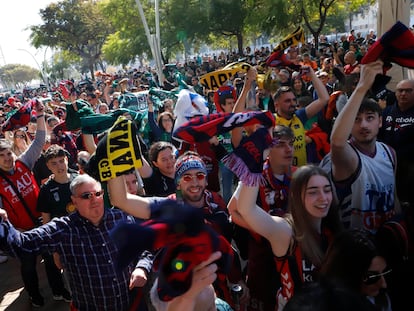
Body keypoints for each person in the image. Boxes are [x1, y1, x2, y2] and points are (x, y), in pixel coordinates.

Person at [0, 174, 152, 311]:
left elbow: (143, 249)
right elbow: (21, 246)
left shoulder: (121, 218)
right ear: (74, 201)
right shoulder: (63, 228)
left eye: (98, 194)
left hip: (132, 304)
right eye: (86, 196)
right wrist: (2, 224)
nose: (94, 200)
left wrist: (142, 268)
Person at [233, 163, 343, 310]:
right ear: (297, 196)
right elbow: (246, 209)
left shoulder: (335, 234)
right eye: (313, 192)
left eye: (327, 190)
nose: (323, 198)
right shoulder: (287, 232)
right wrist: (254, 169)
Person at [321, 60, 401, 233]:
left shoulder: (389, 153)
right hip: (357, 250)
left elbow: (394, 198)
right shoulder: (349, 157)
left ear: (380, 121)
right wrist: (361, 88)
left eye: (370, 118)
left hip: (387, 245)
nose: (363, 125)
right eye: (356, 119)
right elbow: (337, 143)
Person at [228, 125, 296, 311]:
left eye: (291, 144)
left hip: (293, 253)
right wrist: (260, 226)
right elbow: (232, 210)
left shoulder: (299, 175)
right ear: (268, 149)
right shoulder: (254, 175)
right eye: (281, 144)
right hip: (263, 255)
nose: (288, 149)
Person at [0, 101, 53, 307]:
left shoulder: (24, 162)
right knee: (29, 267)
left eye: (8, 154)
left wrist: (40, 115)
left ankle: (58, 290)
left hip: (43, 223)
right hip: (21, 232)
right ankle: (34, 296)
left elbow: (39, 140)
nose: (7, 159)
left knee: (50, 260)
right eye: (1, 156)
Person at [36, 144, 79, 302]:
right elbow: (46, 223)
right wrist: (54, 250)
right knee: (71, 277)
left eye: (61, 161)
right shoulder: (46, 190)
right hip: (64, 240)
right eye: (54, 163)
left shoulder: (78, 179)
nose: (59, 166)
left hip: (84, 234)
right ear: (48, 166)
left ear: (67, 160)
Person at [319, 228, 392, 311]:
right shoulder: (317, 305)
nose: (383, 284)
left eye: (385, 272)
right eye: (371, 277)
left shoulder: (381, 300)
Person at [273, 65, 330, 167]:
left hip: (300, 175)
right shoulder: (270, 120)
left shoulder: (299, 116)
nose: (293, 103)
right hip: (281, 177)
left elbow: (324, 99)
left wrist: (311, 74)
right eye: (287, 101)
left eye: (294, 100)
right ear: (276, 105)